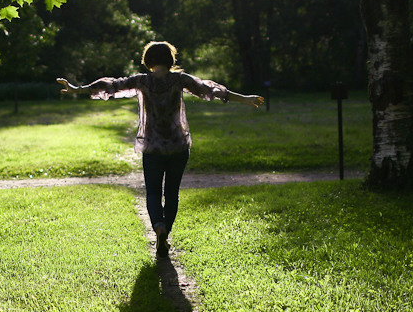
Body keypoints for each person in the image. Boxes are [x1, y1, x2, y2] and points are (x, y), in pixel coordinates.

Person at [58, 41, 264, 257]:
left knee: (154, 193)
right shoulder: (180, 80)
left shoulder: (141, 81)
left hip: (152, 147)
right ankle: (165, 232)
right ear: (170, 59)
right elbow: (210, 89)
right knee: (172, 193)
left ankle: (158, 227)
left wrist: (77, 89)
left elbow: (111, 85)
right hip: (177, 147)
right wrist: (244, 98)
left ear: (148, 61)